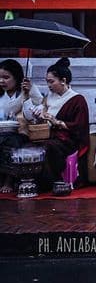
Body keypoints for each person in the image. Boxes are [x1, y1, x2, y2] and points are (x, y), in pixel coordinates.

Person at [28, 58, 89, 191]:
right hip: (49, 134)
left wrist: (57, 122)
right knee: (30, 144)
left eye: (51, 81)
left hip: (67, 139)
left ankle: (51, 182)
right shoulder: (49, 97)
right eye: (47, 82)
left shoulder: (77, 99)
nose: (49, 85)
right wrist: (40, 117)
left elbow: (80, 127)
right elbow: (44, 119)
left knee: (48, 147)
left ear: (63, 80)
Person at [0, 59, 41, 193]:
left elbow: (34, 113)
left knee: (12, 142)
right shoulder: (2, 95)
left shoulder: (29, 89)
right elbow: (6, 111)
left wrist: (27, 94)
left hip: (21, 132)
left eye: (6, 78)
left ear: (16, 78)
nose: (2, 81)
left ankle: (9, 180)